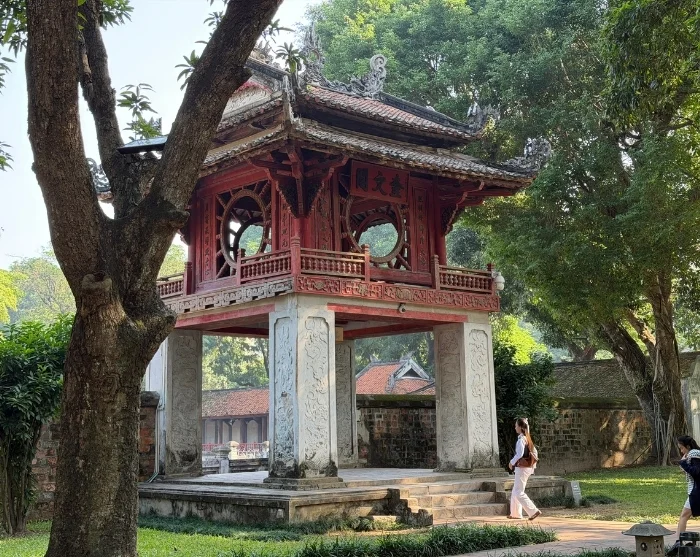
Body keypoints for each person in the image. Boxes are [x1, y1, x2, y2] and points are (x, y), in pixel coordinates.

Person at [668, 436, 700, 556]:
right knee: (684, 516)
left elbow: (696, 472)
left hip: (696, 491)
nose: (681, 451)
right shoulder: (693, 453)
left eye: (682, 448)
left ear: (688, 446)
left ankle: (678, 542)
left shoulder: (694, 453)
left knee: (683, 516)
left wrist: (683, 463)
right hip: (695, 491)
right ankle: (678, 542)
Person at [507, 417, 542, 521]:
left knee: (518, 491)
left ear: (521, 427)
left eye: (516, 426)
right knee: (516, 490)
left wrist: (511, 462)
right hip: (526, 468)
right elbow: (534, 452)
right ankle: (515, 513)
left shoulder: (522, 439)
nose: (515, 427)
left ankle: (533, 511)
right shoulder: (527, 438)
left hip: (522, 468)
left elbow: (520, 454)